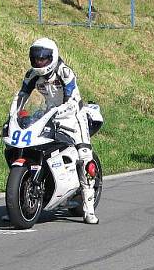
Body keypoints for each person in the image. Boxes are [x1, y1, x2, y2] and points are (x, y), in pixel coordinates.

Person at [18, 38, 99, 224]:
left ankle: (89, 209)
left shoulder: (65, 72)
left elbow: (71, 99)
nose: (39, 62)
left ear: (52, 57)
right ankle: (18, 204)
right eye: (36, 58)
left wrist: (58, 112)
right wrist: (14, 113)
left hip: (73, 116)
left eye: (43, 58)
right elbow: (22, 95)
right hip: (48, 113)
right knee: (29, 147)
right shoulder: (32, 75)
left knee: (85, 156)